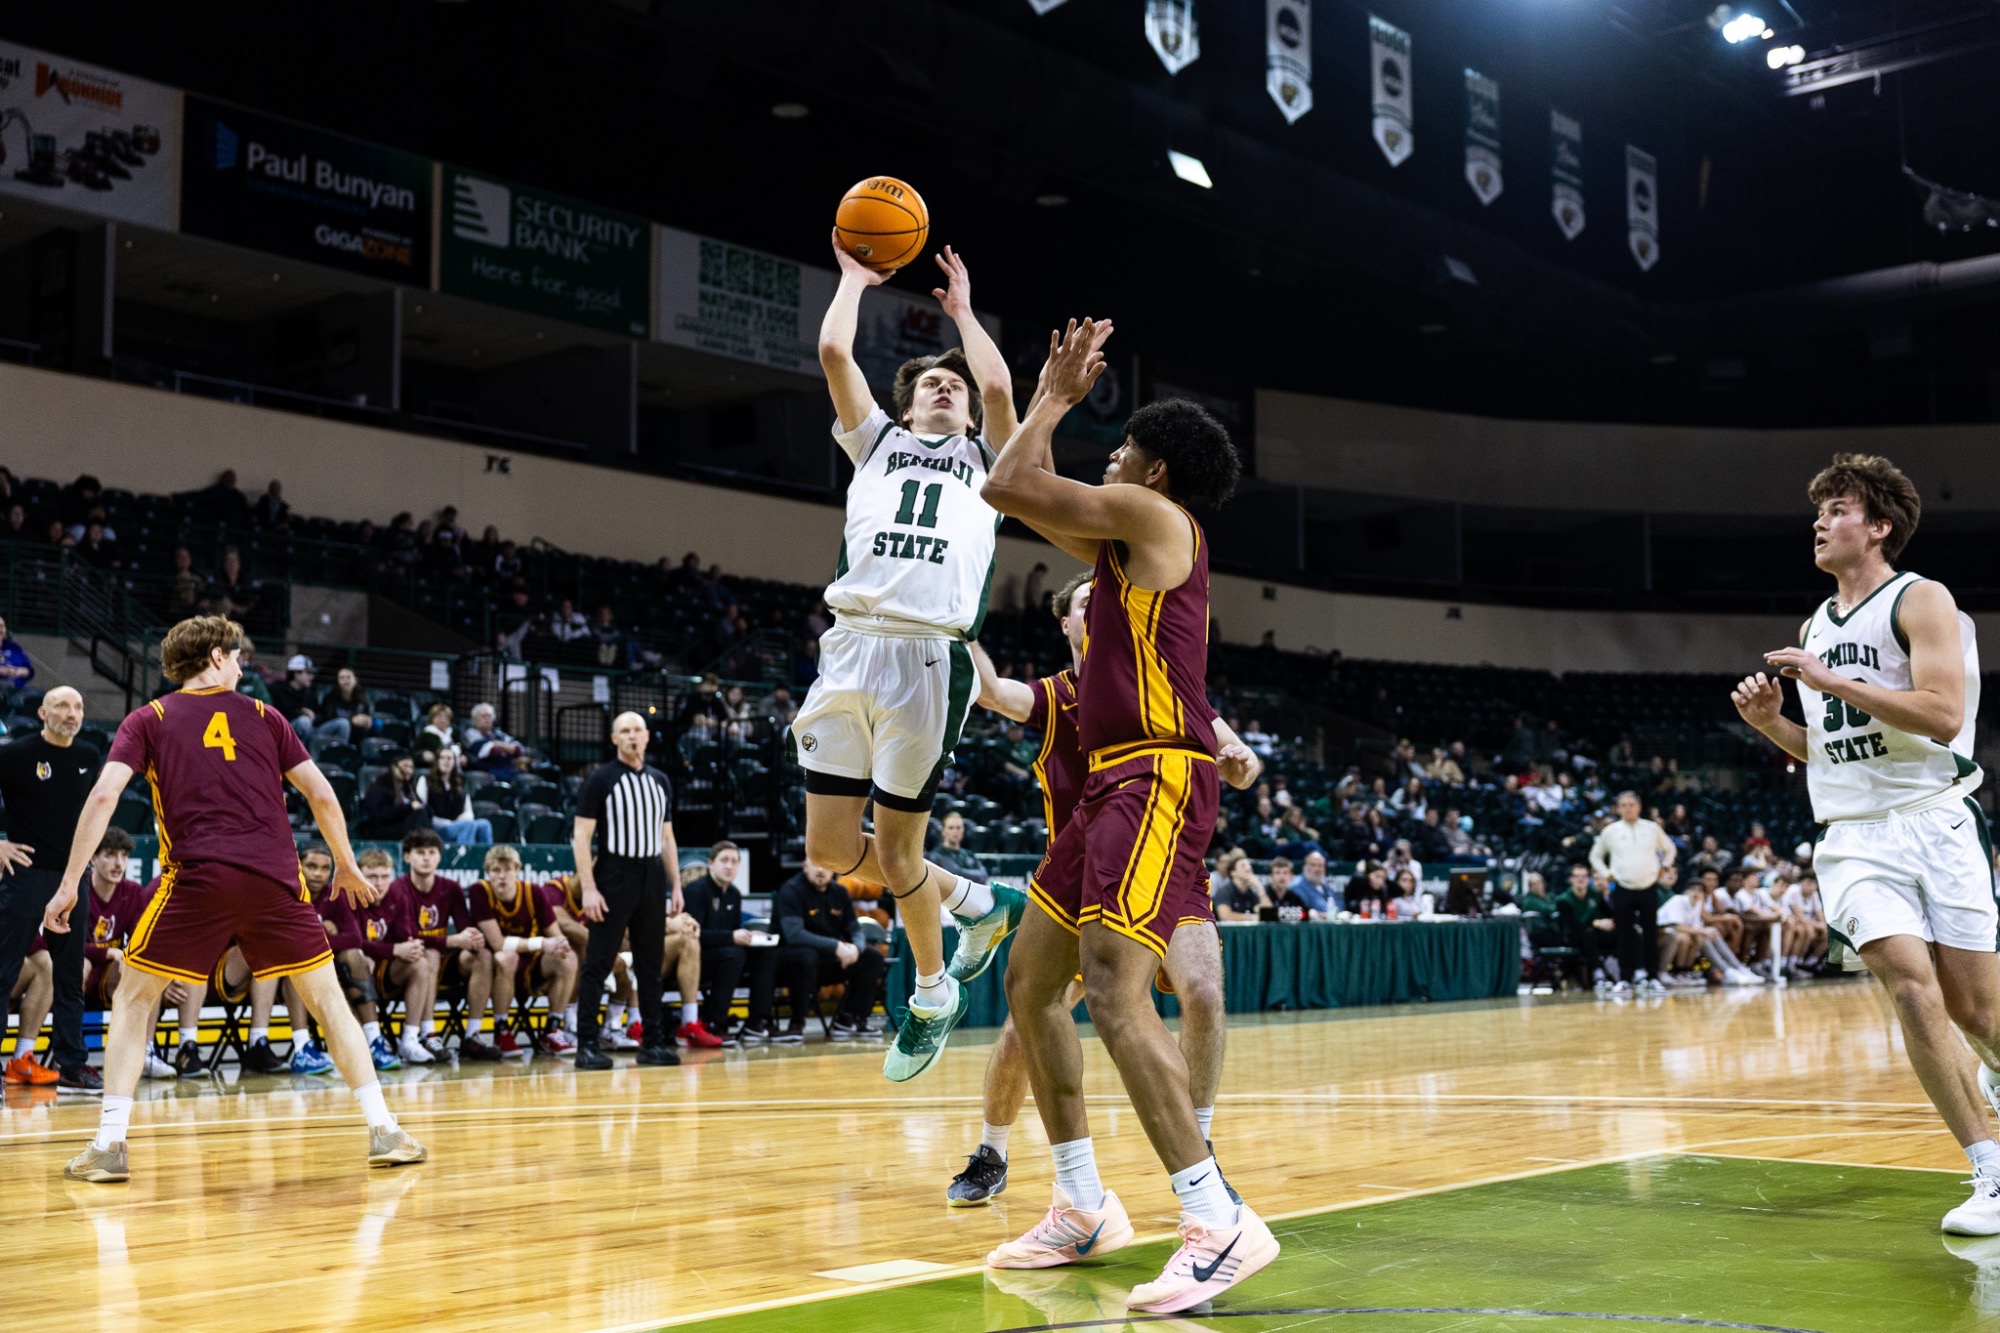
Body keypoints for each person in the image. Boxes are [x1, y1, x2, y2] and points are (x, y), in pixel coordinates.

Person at [980, 318, 1277, 1314]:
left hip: (1153, 777)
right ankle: (1081, 1203)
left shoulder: (1161, 523)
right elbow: (1007, 486)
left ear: (1150, 467)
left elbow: (1015, 482)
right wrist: (1025, 405)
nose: (1106, 459)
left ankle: (1215, 1217)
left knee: (1113, 992)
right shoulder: (1118, 549)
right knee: (1030, 983)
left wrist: (1054, 394)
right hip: (1106, 782)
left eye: (1118, 451)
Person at [42, 614, 423, 1182]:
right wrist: (344, 861)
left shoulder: (149, 718)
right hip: (276, 879)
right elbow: (320, 792)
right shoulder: (267, 717)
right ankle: (384, 1129)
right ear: (216, 656)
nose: (243, 666)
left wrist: (70, 881)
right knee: (327, 1001)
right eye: (238, 656)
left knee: (134, 998)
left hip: (199, 878)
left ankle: (109, 1145)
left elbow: (103, 799)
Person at [1730, 452, 1997, 1234]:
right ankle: (1989, 1167)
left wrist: (1829, 679)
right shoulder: (1816, 623)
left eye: (1838, 510)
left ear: (1879, 526)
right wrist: (1772, 725)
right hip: (1854, 837)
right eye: (1819, 511)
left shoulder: (1922, 599)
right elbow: (1832, 750)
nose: (1820, 522)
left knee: (1977, 1011)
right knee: (1909, 984)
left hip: (1937, 818)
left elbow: (1943, 715)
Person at [956, 570, 1260, 1214]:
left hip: (1166, 863)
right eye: (1085, 604)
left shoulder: (1158, 680)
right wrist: (961, 620)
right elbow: (991, 692)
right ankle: (992, 1151)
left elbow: (1233, 749)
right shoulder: (1057, 695)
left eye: (1105, 599)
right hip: (1082, 874)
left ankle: (1199, 1148)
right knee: (1025, 1021)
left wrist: (1237, 760)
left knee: (1203, 990)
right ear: (1064, 623)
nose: (1100, 609)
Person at [795, 240, 1026, 1082]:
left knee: (895, 855)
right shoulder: (876, 445)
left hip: (929, 658)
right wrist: (855, 280)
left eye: (954, 384)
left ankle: (932, 993)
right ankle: (973, 900)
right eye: (932, 379)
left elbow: (1002, 387)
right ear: (908, 400)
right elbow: (832, 352)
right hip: (850, 645)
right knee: (828, 846)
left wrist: (964, 315)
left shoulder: (989, 466)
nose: (947, 385)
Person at [0, 685, 102, 1092]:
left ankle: (72, 1064)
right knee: (4, 970)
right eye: (62, 705)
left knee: (69, 975)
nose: (71, 713)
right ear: (43, 712)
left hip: (71, 878)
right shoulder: (14, 753)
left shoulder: (89, 755)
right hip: (26, 874)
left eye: (78, 706)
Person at [569, 711, 682, 1070]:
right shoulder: (600, 779)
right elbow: (581, 838)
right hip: (614, 874)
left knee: (651, 964)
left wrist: (675, 884)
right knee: (599, 961)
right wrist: (589, 889)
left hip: (651, 877)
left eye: (637, 731)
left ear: (647, 736)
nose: (632, 737)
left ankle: (652, 1042)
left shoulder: (661, 780)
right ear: (615, 739)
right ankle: (586, 1044)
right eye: (624, 731)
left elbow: (667, 837)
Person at [388, 828, 495, 1058]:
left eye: (432, 852)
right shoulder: (398, 888)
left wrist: (472, 938)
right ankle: (428, 1034)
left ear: (439, 856)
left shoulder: (451, 887)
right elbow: (407, 937)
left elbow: (465, 926)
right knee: (431, 953)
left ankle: (473, 1036)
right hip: (408, 963)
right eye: (420, 852)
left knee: (483, 955)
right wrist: (453, 940)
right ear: (407, 857)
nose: (426, 858)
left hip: (448, 963)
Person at [683, 841, 801, 1046]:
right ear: (710, 863)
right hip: (696, 959)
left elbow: (732, 933)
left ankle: (758, 1021)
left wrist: (749, 937)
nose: (729, 866)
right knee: (733, 955)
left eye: (734, 861)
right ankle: (715, 1023)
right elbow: (693, 935)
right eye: (724, 860)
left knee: (767, 953)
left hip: (726, 954)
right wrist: (732, 937)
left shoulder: (734, 894)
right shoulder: (696, 891)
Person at [467, 844, 574, 1060]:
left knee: (567, 957)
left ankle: (553, 1030)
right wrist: (541, 943)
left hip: (532, 967)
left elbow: (557, 937)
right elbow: (497, 943)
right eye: (496, 870)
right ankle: (501, 1031)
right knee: (506, 956)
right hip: (495, 972)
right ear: (488, 873)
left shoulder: (534, 892)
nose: (502, 876)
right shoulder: (480, 891)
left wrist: (557, 944)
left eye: (507, 869)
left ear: (518, 870)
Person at [772, 862, 885, 1040]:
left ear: (833, 868)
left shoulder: (839, 892)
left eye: (825, 865)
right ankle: (796, 1023)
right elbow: (795, 935)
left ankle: (850, 1018)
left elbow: (855, 929)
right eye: (815, 864)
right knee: (806, 956)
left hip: (828, 961)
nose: (820, 870)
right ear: (804, 866)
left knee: (872, 957)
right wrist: (836, 946)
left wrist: (856, 947)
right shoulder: (791, 890)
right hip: (790, 962)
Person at [1589, 791, 1677, 997]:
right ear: (1618, 808)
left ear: (1639, 806)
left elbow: (1670, 849)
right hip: (1623, 887)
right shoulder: (1611, 831)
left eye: (1631, 804)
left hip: (1648, 886)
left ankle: (1653, 978)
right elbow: (1595, 856)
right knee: (1624, 935)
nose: (1628, 808)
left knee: (1650, 933)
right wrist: (1606, 873)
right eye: (1623, 805)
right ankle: (1625, 979)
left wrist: (1665, 865)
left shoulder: (1652, 828)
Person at [415, 747, 493, 844]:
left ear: (454, 762)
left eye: (449, 758)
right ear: (437, 761)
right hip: (436, 826)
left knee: (484, 824)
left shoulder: (461, 782)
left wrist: (464, 818)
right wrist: (450, 823)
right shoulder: (426, 780)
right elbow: (422, 813)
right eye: (442, 758)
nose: (446, 761)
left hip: (457, 824)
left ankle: (487, 858)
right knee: (468, 826)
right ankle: (464, 858)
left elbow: (469, 812)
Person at [355, 754, 428, 841]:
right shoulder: (381, 787)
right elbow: (381, 814)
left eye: (411, 767)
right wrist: (409, 807)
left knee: (422, 815)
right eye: (405, 766)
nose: (408, 770)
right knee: (418, 816)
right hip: (381, 829)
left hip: (402, 828)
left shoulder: (409, 789)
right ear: (394, 767)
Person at [0, 614, 35, 712]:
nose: (1, 629)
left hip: (18, 686)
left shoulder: (14, 647)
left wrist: (21, 671)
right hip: (2, 687)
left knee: (37, 694)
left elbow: (30, 670)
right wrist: (3, 671)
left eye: (3, 626)